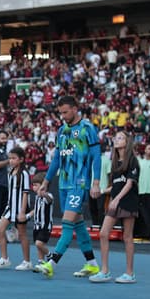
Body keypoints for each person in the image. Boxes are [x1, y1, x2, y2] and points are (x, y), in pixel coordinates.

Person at [36, 96, 102, 279]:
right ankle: (92, 264)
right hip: (64, 184)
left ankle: (51, 263)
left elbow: (97, 156)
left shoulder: (87, 128)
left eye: (65, 112)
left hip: (79, 183)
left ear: (75, 108)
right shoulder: (61, 131)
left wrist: (96, 181)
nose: (63, 116)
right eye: (61, 113)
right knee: (78, 224)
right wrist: (47, 181)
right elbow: (57, 159)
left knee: (66, 224)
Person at [91, 131, 140, 283]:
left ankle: (129, 273)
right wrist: (102, 192)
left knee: (127, 237)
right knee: (103, 233)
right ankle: (105, 271)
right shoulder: (114, 162)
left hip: (127, 201)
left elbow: (130, 183)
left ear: (127, 141)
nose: (116, 140)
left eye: (120, 138)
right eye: (116, 138)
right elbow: (116, 185)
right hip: (115, 201)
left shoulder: (132, 160)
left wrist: (117, 199)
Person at [0, 147, 32, 271]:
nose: (11, 161)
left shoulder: (24, 173)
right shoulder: (10, 172)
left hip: (20, 208)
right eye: (10, 158)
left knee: (22, 234)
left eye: (14, 158)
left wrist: (23, 212)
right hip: (10, 207)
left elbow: (25, 193)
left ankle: (27, 261)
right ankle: (4, 259)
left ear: (21, 159)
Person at [26, 173, 53, 264]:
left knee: (39, 243)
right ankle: (41, 262)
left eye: (36, 185)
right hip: (36, 226)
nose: (33, 187)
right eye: (33, 185)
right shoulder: (37, 197)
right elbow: (36, 209)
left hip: (45, 226)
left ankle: (50, 255)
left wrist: (44, 194)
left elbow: (49, 200)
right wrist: (28, 215)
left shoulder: (48, 195)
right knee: (39, 245)